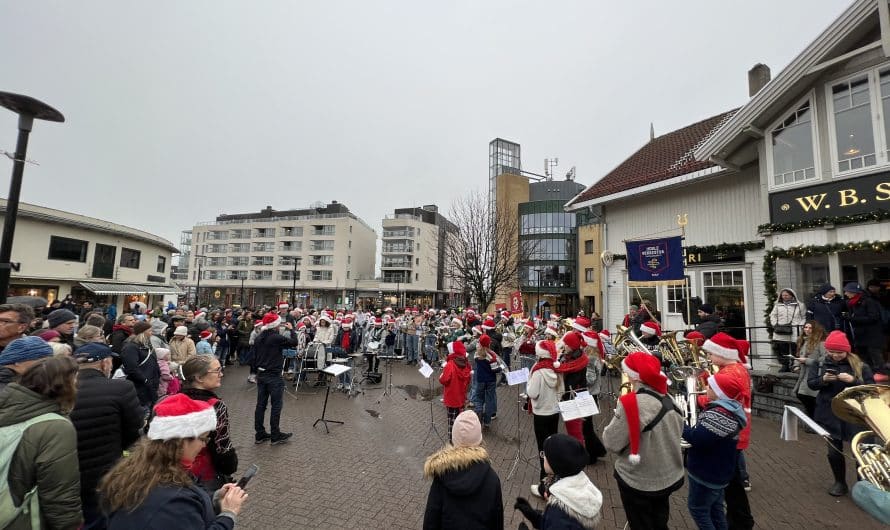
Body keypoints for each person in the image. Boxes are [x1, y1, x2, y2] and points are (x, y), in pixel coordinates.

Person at [98, 393, 248, 529]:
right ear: (181, 441)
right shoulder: (173, 501)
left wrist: (214, 498)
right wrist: (228, 515)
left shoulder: (148, 467)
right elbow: (180, 505)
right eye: (203, 438)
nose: (204, 445)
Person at [602, 351, 684, 530]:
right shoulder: (670, 399)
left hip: (639, 479)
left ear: (633, 376)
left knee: (640, 523)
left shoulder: (631, 403)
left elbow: (611, 442)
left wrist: (619, 413)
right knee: (659, 520)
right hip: (668, 475)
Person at [0, 355, 83, 529]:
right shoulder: (55, 427)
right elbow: (59, 491)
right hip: (21, 518)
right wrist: (70, 525)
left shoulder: (7, 406)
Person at [70, 342, 144, 529]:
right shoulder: (120, 388)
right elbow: (134, 429)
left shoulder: (59, 389)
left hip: (67, 474)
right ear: (104, 363)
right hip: (105, 472)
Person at [807, 330, 875, 496]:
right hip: (830, 412)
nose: (835, 355)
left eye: (839, 352)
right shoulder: (820, 363)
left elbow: (871, 390)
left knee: (861, 450)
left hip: (855, 413)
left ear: (847, 351)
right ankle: (840, 482)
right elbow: (811, 384)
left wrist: (853, 381)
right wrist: (823, 380)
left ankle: (864, 487)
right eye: (831, 351)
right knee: (833, 451)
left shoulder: (860, 365)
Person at [699, 332, 755, 529]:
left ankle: (741, 520)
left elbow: (715, 400)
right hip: (737, 431)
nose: (709, 358)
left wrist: (700, 396)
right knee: (732, 480)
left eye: (711, 354)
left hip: (729, 433)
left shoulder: (729, 374)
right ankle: (738, 517)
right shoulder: (736, 369)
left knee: (732, 483)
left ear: (721, 354)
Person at [683, 370, 747, 530]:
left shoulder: (718, 415)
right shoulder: (729, 410)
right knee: (716, 510)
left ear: (719, 393)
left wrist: (680, 423)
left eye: (710, 387)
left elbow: (697, 439)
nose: (705, 389)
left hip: (706, 473)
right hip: (719, 473)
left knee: (698, 510)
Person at [422, 410, 504, 530]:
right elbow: (497, 521)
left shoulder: (442, 476)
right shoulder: (492, 479)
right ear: (479, 440)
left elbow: (431, 520)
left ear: (454, 440)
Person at [514, 433, 603, 530]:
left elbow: (554, 522)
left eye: (545, 455)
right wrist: (532, 515)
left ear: (556, 464)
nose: (543, 457)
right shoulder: (578, 489)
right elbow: (549, 523)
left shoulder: (559, 513)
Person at [180, 355, 239, 492]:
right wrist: (230, 465)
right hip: (204, 473)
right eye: (217, 371)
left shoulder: (172, 400)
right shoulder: (216, 406)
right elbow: (222, 446)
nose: (221, 374)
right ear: (199, 378)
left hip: (173, 471)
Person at [553, 331, 606, 464]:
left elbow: (590, 378)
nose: (563, 345)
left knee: (585, 428)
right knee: (586, 427)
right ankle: (597, 450)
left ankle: (591, 455)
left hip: (584, 395)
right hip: (581, 395)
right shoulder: (575, 356)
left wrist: (572, 376)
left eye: (566, 344)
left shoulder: (588, 358)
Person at [253, 311, 299, 444]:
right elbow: (294, 342)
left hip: (261, 374)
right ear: (275, 325)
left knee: (260, 405)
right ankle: (275, 435)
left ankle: (260, 434)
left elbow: (254, 357)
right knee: (276, 406)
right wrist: (292, 330)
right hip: (273, 375)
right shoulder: (276, 337)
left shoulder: (258, 337)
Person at [526, 340, 563, 483]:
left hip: (541, 413)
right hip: (554, 412)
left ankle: (544, 475)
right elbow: (561, 391)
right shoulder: (556, 369)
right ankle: (554, 472)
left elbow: (532, 393)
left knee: (542, 446)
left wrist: (528, 384)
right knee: (552, 443)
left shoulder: (538, 371)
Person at [841, 282, 884, 370]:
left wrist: (853, 318)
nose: (845, 294)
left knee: (875, 356)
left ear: (854, 292)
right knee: (863, 357)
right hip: (860, 335)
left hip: (872, 336)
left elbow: (873, 317)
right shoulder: (850, 303)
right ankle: (867, 375)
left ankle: (880, 374)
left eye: (847, 291)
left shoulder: (868, 301)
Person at [121, 320, 161, 409]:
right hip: (140, 388)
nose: (151, 333)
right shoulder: (130, 347)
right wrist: (145, 380)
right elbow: (132, 368)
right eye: (150, 331)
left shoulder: (146, 345)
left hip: (150, 387)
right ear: (143, 332)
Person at [792, 320, 827, 418]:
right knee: (802, 395)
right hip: (803, 374)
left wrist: (808, 361)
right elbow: (799, 355)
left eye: (810, 328)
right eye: (805, 327)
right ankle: (813, 420)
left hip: (814, 373)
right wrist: (796, 365)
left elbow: (825, 358)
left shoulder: (821, 342)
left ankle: (815, 421)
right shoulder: (803, 340)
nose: (807, 330)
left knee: (808, 397)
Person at [439, 340, 472, 434]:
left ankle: (452, 443)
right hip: (461, 398)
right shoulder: (466, 364)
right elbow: (468, 379)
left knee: (452, 423)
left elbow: (444, 380)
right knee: (460, 422)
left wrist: (441, 375)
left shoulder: (450, 364)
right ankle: (460, 439)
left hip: (451, 399)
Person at [770, 288, 805, 372]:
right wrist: (774, 324)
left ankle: (794, 365)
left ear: (792, 295)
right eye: (783, 295)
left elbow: (803, 317)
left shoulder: (800, 305)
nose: (784, 297)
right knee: (782, 349)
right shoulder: (777, 305)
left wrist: (800, 326)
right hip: (780, 330)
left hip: (795, 330)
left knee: (795, 348)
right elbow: (772, 315)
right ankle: (785, 365)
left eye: (786, 295)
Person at [472, 334, 501, 427]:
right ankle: (487, 421)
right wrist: (500, 367)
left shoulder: (477, 354)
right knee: (489, 399)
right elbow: (495, 370)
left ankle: (479, 413)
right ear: (489, 344)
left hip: (480, 380)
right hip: (491, 381)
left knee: (479, 398)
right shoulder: (491, 356)